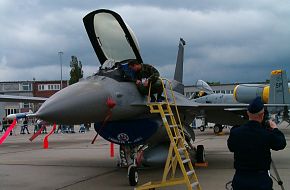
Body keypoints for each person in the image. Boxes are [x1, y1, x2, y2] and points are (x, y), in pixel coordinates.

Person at [227, 97, 286, 190]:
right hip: (261, 182)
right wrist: (275, 129)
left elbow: (231, 147)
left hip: (240, 181)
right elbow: (281, 143)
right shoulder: (266, 134)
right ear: (262, 115)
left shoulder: (236, 132)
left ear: (247, 113)